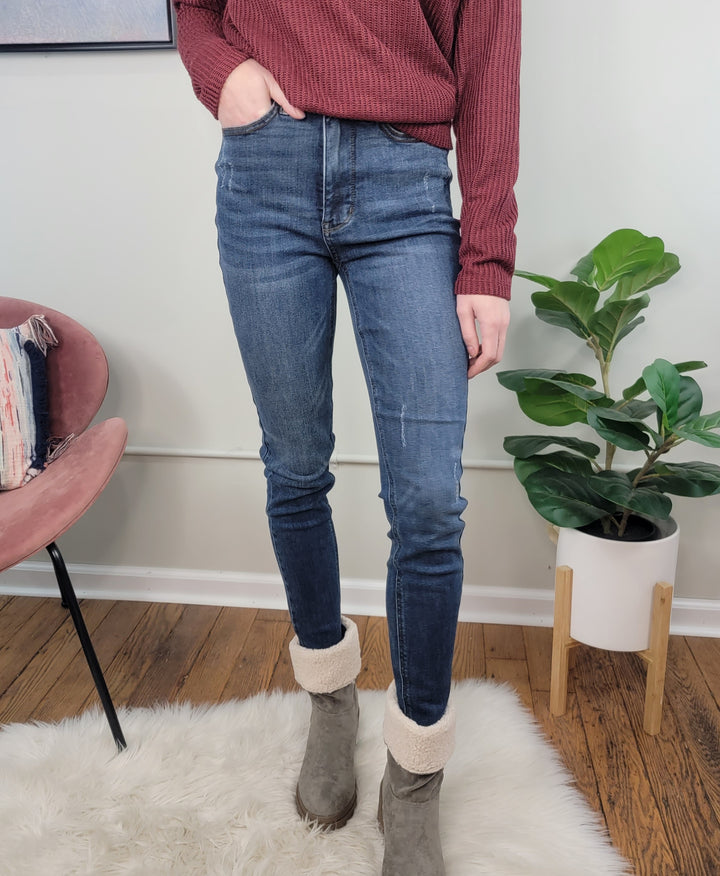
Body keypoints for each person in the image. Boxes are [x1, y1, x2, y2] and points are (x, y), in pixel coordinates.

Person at [173, 2, 520, 872]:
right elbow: (193, 6)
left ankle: (415, 772)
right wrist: (224, 75)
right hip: (266, 177)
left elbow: (489, 63)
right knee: (294, 468)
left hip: (404, 183)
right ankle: (331, 702)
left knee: (429, 505)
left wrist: (487, 257)